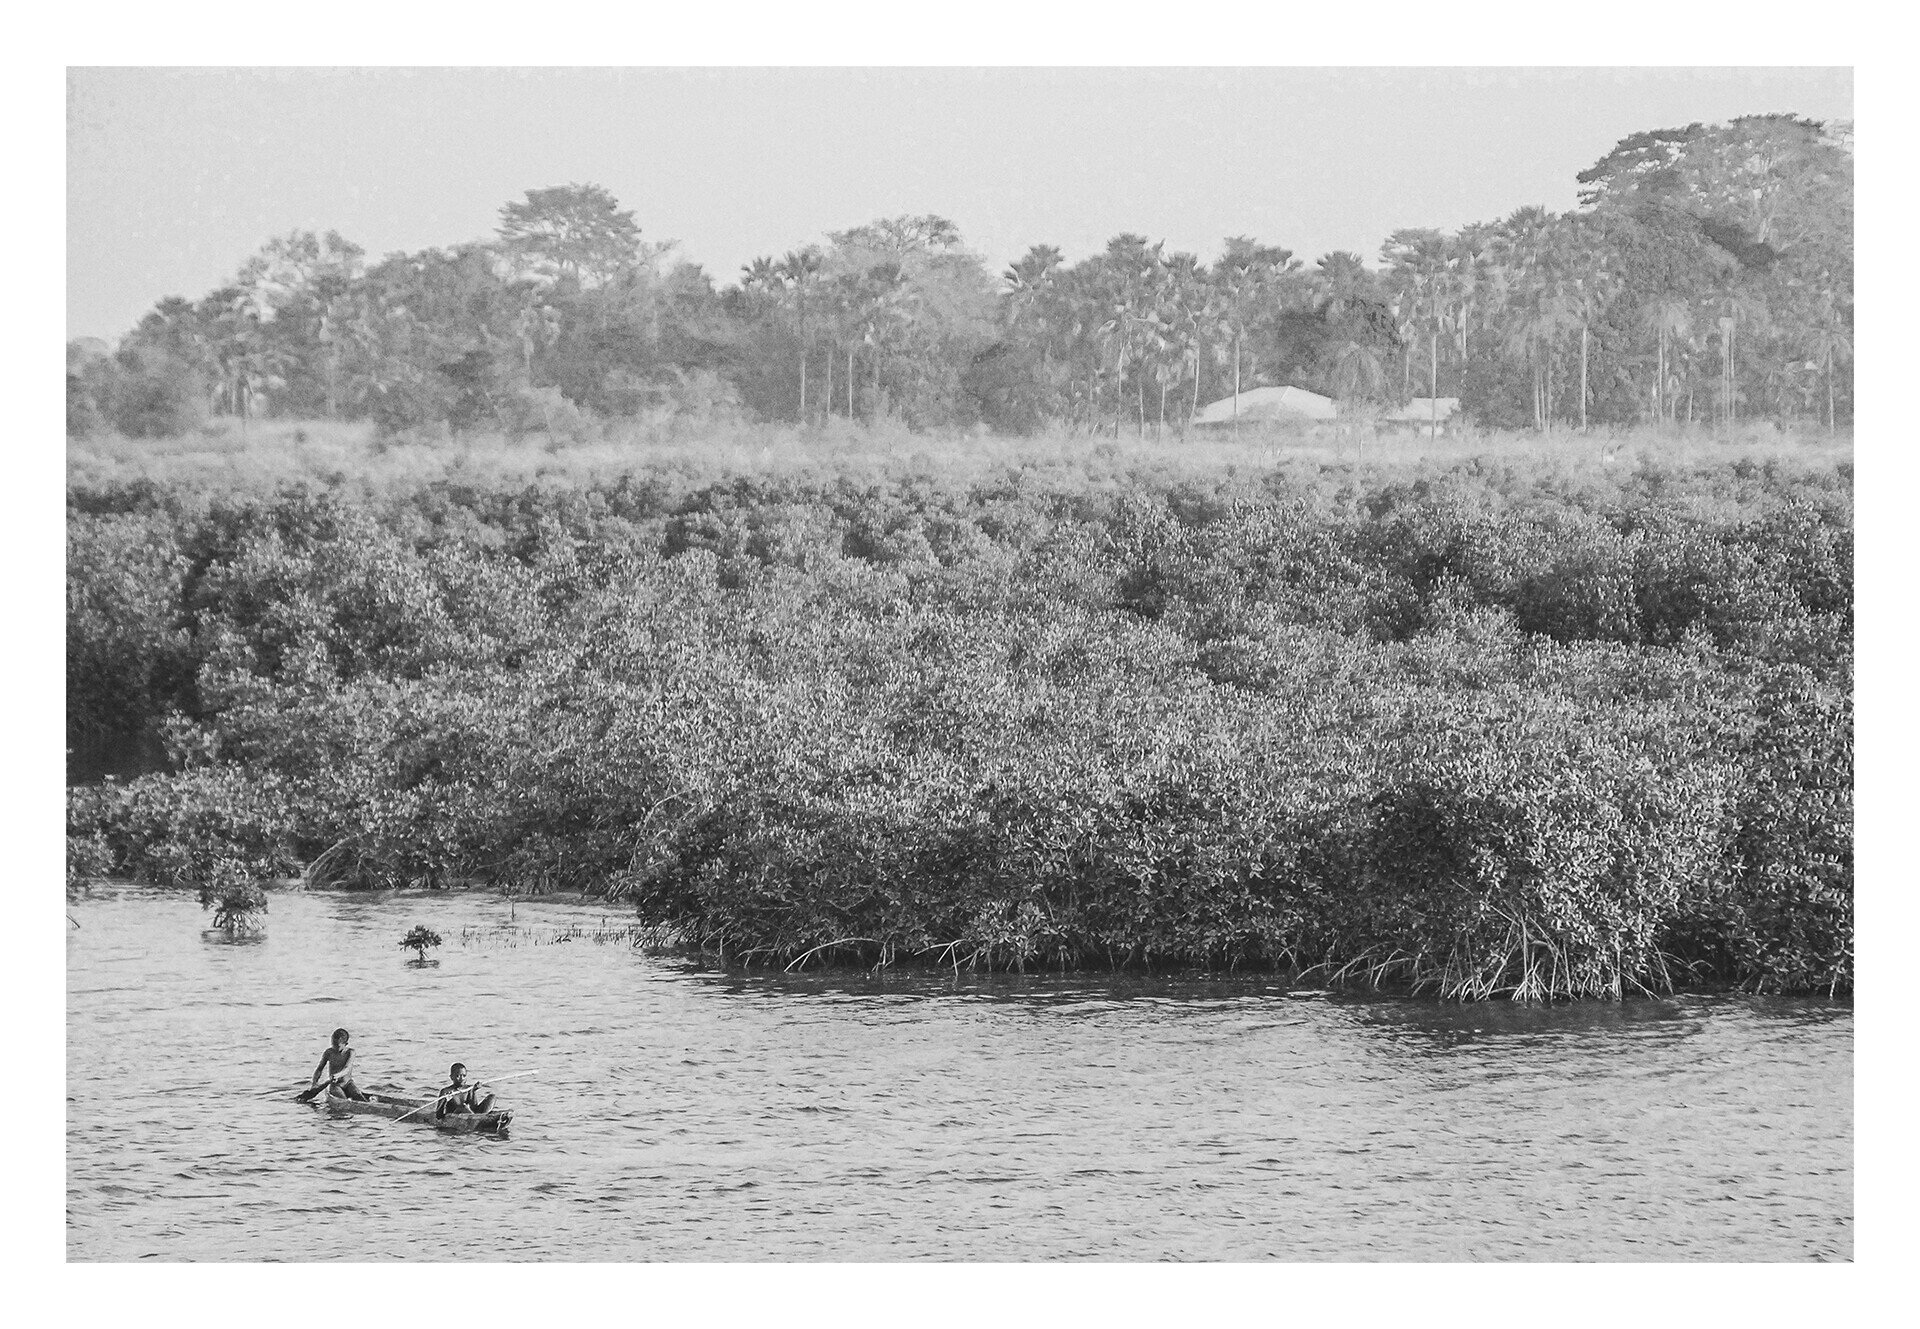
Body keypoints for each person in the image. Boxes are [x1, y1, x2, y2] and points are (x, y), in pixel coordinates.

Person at [298, 1028, 369, 1102]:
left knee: (359, 1098)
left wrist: (337, 1075)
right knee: (344, 1101)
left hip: (348, 1083)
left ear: (346, 1044)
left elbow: (346, 1068)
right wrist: (314, 1083)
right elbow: (319, 1069)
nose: (334, 1047)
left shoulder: (350, 1052)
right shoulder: (328, 1052)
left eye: (337, 1046)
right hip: (335, 1085)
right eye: (333, 1044)